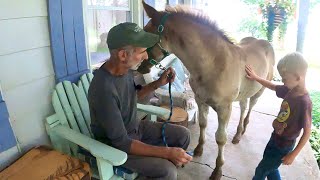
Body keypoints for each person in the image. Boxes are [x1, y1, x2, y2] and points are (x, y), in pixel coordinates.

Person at [88, 22, 192, 180]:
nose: (146, 56)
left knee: (183, 135)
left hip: (136, 128)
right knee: (167, 171)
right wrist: (167, 152)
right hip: (115, 148)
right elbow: (122, 143)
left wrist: (158, 84)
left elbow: (132, 96)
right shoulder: (103, 89)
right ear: (123, 55)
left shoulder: (125, 70)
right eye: (142, 51)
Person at [245, 52, 312, 180]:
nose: (282, 81)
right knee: (270, 167)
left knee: (261, 170)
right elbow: (273, 86)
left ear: (298, 77)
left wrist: (293, 154)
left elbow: (307, 132)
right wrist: (255, 77)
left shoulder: (304, 102)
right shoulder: (290, 89)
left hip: (284, 145)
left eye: (284, 78)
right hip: (275, 138)